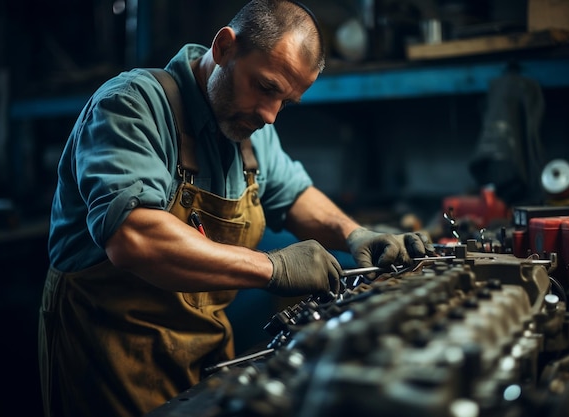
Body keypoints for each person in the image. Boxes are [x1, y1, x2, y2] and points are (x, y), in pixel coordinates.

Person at [38, 1, 435, 416]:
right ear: (225, 48)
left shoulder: (249, 129)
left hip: (202, 354)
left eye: (285, 101)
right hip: (107, 355)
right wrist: (273, 268)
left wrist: (356, 235)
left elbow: (294, 194)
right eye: (265, 88)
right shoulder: (131, 105)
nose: (270, 115)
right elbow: (135, 238)